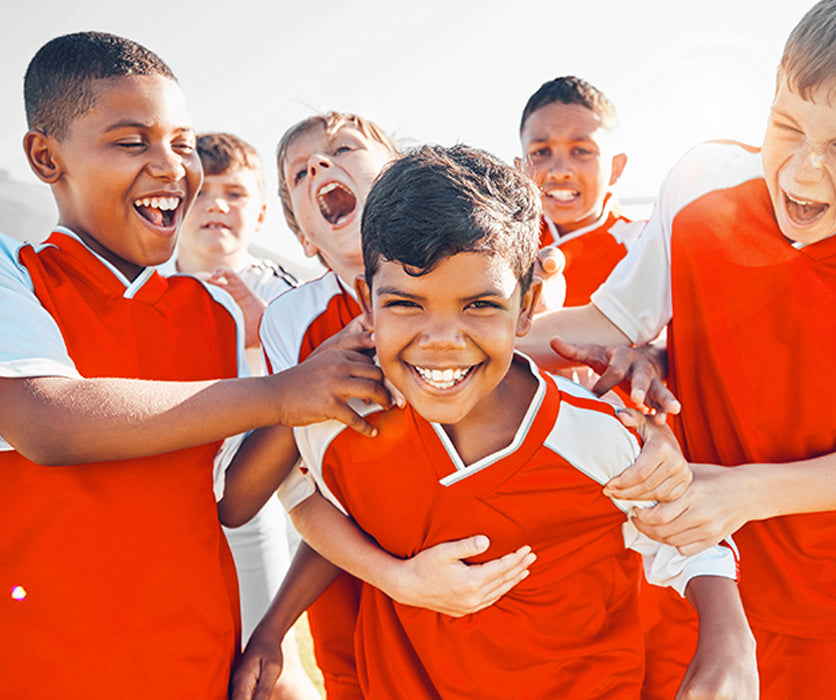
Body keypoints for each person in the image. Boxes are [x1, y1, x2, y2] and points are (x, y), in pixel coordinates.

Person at [0, 32, 396, 700]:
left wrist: (323, 385)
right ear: (46, 157)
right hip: (45, 668)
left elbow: (233, 500)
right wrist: (281, 394)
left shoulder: (216, 316)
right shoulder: (18, 278)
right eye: (132, 142)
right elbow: (46, 421)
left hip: (199, 665)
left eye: (182, 143)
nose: (170, 167)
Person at [287, 144, 757, 699]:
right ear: (367, 303)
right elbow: (300, 495)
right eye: (407, 304)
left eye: (480, 305)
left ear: (527, 306)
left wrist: (730, 642)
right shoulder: (341, 421)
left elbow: (693, 541)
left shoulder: (597, 436)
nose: (441, 341)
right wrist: (396, 581)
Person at [522, 1, 836, 697]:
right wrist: (461, 336)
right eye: (788, 127)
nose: (804, 175)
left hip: (823, 616)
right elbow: (609, 324)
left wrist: (748, 492)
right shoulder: (705, 184)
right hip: (698, 577)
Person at [166, 131, 317, 700]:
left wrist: (265, 339)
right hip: (167, 498)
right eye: (203, 193)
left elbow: (314, 382)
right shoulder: (149, 287)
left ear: (259, 215)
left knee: (266, 664)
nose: (217, 206)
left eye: (235, 194)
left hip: (254, 500)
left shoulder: (279, 294)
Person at [517, 76, 644, 312]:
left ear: (616, 168)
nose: (560, 171)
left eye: (582, 151)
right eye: (541, 152)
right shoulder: (496, 244)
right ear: (520, 169)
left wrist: (650, 351)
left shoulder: (643, 245)